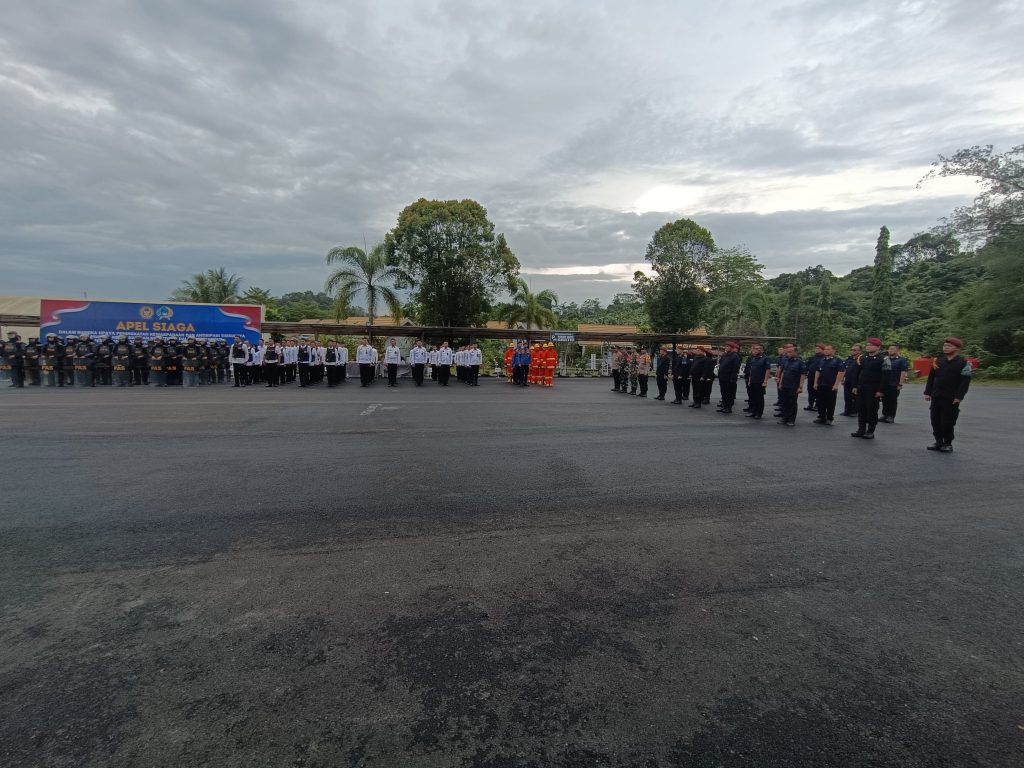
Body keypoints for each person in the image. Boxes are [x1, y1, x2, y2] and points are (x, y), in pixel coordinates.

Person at [924, 337, 972, 453]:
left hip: (950, 397)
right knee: (935, 419)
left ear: (957, 348)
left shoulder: (964, 363)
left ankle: (948, 443)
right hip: (937, 395)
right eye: (944, 346)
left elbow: (965, 382)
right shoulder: (938, 361)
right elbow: (931, 378)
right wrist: (927, 392)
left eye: (949, 346)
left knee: (947, 421)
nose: (945, 348)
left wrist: (959, 396)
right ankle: (938, 441)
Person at [850, 337, 886, 439]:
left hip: (874, 388)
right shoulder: (862, 358)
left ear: (878, 347)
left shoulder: (883, 359)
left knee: (872, 410)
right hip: (862, 387)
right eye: (867, 345)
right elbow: (856, 373)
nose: (868, 347)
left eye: (871, 345)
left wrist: (881, 390)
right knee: (861, 409)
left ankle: (870, 430)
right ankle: (861, 429)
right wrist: (855, 386)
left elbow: (885, 377)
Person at [812, 343, 844, 425]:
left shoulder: (838, 361)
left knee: (830, 402)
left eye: (828, 349)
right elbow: (818, 371)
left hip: (831, 385)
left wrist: (836, 385)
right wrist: (815, 382)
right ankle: (821, 417)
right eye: (825, 349)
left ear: (833, 351)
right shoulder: (822, 360)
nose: (826, 351)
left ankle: (829, 418)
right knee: (820, 401)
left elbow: (841, 372)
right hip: (821, 384)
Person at [775, 343, 806, 427]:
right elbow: (783, 373)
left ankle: (791, 420)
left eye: (790, 352)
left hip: (793, 386)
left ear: (795, 352)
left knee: (792, 403)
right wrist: (780, 383)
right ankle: (784, 418)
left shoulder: (800, 362)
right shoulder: (785, 361)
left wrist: (800, 386)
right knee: (785, 403)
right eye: (787, 352)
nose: (788, 353)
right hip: (785, 384)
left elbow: (802, 375)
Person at [879, 343, 909, 423]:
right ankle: (884, 415)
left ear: (897, 350)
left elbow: (903, 372)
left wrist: (900, 384)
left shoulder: (901, 360)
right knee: (884, 399)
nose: (890, 350)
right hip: (885, 383)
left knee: (892, 400)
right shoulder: (885, 359)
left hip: (894, 383)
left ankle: (891, 416)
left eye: (892, 349)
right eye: (889, 349)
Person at [743, 343, 771, 419]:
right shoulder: (753, 358)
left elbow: (767, 370)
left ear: (762, 350)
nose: (756, 350)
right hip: (752, 381)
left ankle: (759, 413)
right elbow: (751, 370)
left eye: (758, 348)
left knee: (759, 398)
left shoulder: (765, 358)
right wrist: (749, 380)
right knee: (753, 398)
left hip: (760, 382)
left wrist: (765, 381)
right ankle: (753, 411)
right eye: (755, 348)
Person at [716, 341, 741, 413]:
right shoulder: (725, 355)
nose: (726, 347)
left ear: (732, 348)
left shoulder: (735, 356)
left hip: (729, 378)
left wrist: (733, 378)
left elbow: (735, 368)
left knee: (729, 393)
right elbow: (720, 363)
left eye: (727, 346)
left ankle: (728, 407)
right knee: (723, 393)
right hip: (722, 377)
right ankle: (724, 406)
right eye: (725, 346)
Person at [840, 344, 861, 416]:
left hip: (856, 380)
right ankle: (847, 410)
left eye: (855, 350)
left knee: (855, 397)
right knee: (847, 396)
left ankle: (855, 411)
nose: (852, 351)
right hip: (848, 379)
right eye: (852, 350)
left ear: (859, 351)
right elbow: (844, 369)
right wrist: (842, 378)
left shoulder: (861, 359)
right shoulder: (849, 359)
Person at [803, 344, 825, 411]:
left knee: (818, 391)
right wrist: (805, 373)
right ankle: (810, 405)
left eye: (818, 348)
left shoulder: (824, 358)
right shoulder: (812, 357)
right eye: (816, 348)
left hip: (820, 377)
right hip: (811, 376)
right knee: (810, 391)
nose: (816, 349)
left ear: (822, 349)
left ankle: (817, 405)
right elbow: (807, 366)